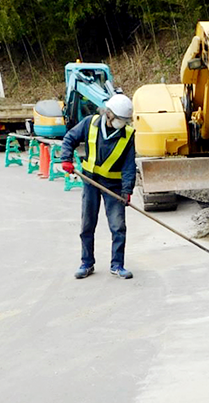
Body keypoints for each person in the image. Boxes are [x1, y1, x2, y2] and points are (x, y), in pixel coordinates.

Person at [60, 94, 136, 280]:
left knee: (118, 227)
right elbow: (70, 138)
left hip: (113, 186)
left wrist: (127, 190)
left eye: (125, 121)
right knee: (87, 224)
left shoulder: (127, 135)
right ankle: (87, 263)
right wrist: (66, 159)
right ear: (109, 114)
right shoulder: (89, 123)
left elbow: (128, 165)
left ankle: (117, 265)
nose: (123, 124)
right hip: (90, 182)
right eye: (120, 120)